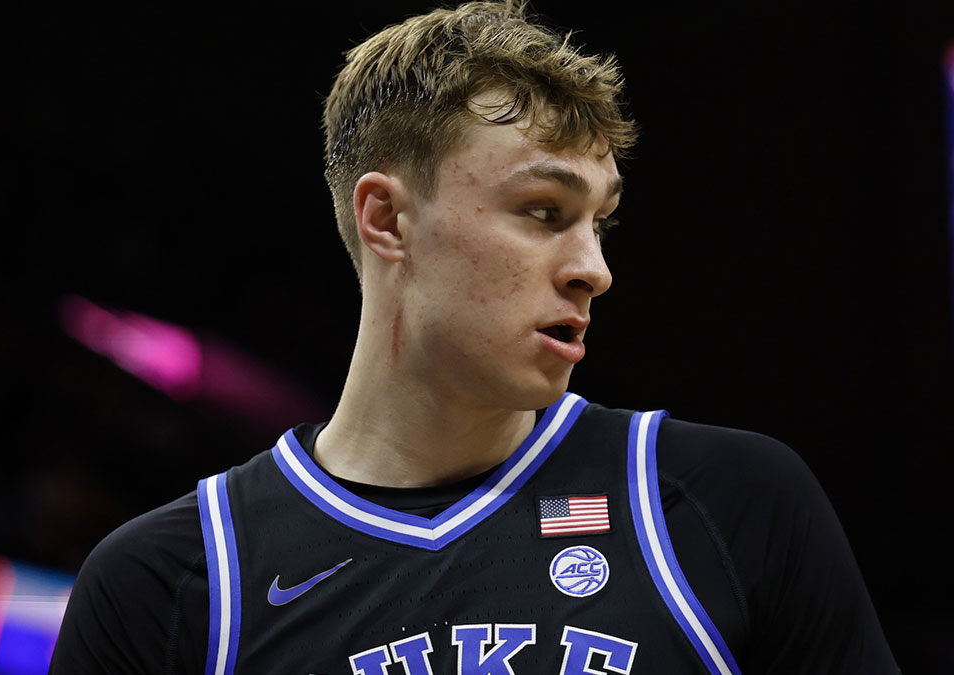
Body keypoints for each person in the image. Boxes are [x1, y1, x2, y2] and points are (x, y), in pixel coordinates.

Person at [50, 2, 900, 673]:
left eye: (598, 222)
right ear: (386, 218)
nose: (593, 269)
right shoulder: (171, 583)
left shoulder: (726, 503)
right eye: (544, 213)